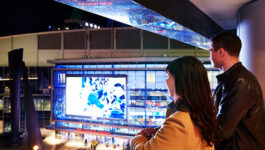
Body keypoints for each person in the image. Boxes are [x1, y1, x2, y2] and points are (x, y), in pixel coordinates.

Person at [130, 56, 218, 150]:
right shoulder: (202, 116)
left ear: (180, 82)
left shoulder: (178, 122)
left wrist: (139, 137)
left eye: (168, 76)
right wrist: (162, 132)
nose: (166, 81)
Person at [210, 31, 265, 150]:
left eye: (211, 51)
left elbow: (222, 130)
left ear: (220, 52)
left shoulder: (239, 81)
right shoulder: (232, 79)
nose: (209, 54)